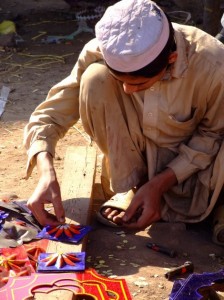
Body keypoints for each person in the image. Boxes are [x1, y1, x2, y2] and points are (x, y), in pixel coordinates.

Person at [24, 0, 224, 246]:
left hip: (196, 172)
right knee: (95, 78)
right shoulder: (101, 50)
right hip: (136, 158)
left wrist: (159, 185)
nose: (128, 90)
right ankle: (129, 188)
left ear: (171, 59)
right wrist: (46, 170)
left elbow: (211, 136)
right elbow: (51, 113)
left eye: (139, 84)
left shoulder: (212, 62)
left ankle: (209, 206)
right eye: (121, 81)